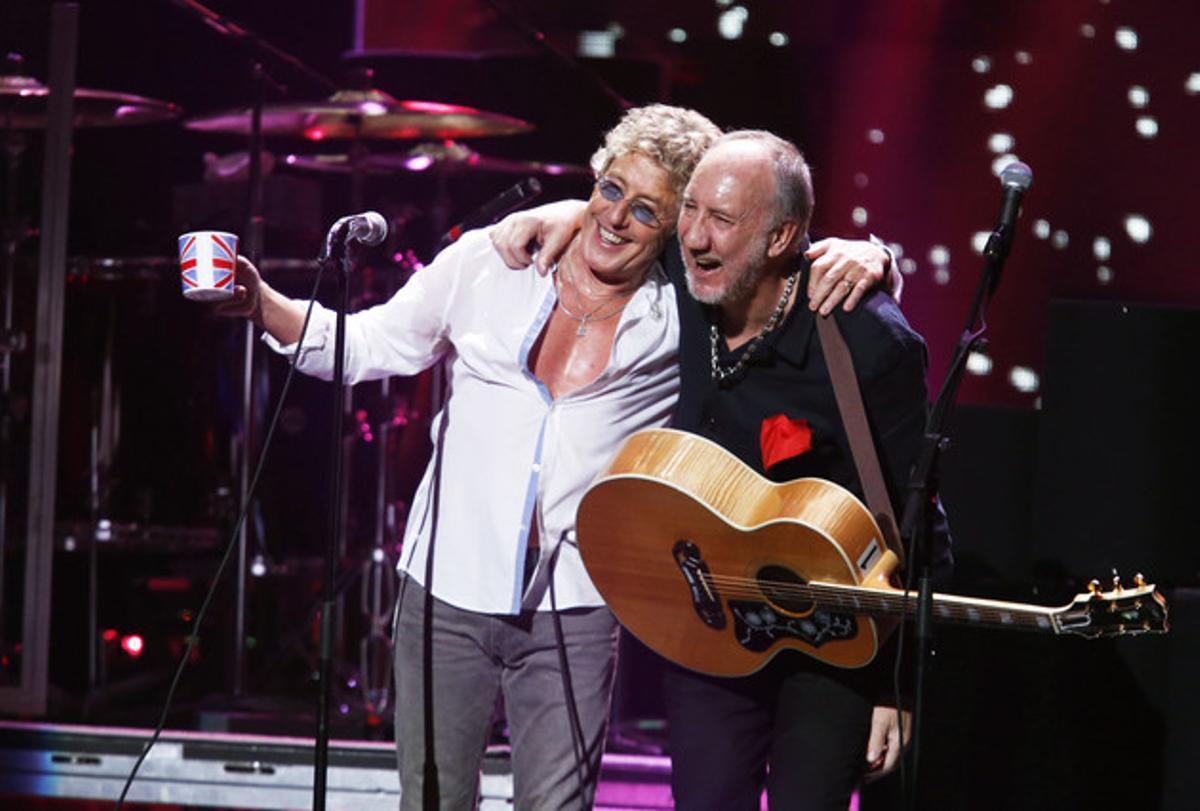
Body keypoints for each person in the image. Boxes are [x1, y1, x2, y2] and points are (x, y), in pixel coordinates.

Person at [217, 103, 891, 810]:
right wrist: (261, 300)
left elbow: (767, 256)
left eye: (646, 211)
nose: (616, 218)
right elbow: (371, 344)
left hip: (577, 606)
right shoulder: (490, 265)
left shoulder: (678, 316)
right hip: (445, 588)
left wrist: (878, 257)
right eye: (609, 191)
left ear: (675, 230)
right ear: (593, 179)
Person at [491, 130, 950, 810]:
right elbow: (624, 210)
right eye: (692, 212)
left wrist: (898, 687)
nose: (696, 238)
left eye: (723, 221)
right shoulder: (682, 277)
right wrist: (572, 212)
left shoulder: (868, 341)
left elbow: (920, 526)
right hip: (712, 621)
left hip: (831, 644)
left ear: (781, 237)